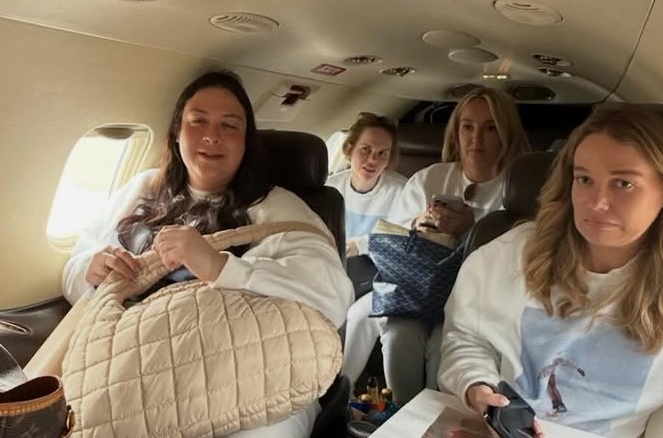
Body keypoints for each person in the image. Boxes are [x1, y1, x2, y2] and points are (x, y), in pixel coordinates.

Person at [62, 70, 353, 438]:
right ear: (176, 132)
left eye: (230, 126)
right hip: (127, 371)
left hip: (245, 379)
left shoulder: (278, 208)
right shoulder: (142, 189)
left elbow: (334, 296)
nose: (212, 136)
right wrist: (92, 271)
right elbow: (73, 272)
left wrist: (219, 266)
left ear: (247, 142)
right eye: (197, 121)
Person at [439, 106, 663, 437]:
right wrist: (477, 386)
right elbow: (466, 338)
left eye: (623, 183)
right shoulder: (508, 257)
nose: (597, 202)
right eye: (584, 179)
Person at [377, 86, 530, 404]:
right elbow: (392, 241)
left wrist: (470, 232)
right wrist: (417, 227)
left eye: (491, 128)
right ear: (456, 131)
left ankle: (443, 418)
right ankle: (401, 414)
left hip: (478, 301)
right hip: (421, 292)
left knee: (441, 346)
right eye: (468, 127)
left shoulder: (519, 189)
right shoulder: (429, 179)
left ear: (507, 133)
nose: (477, 140)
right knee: (397, 335)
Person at [326, 112, 407, 390]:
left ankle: (342, 388)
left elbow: (399, 239)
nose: (373, 160)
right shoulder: (332, 187)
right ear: (349, 150)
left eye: (382, 154)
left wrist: (359, 244)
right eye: (366, 150)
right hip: (338, 270)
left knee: (357, 314)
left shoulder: (401, 191)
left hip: (380, 276)